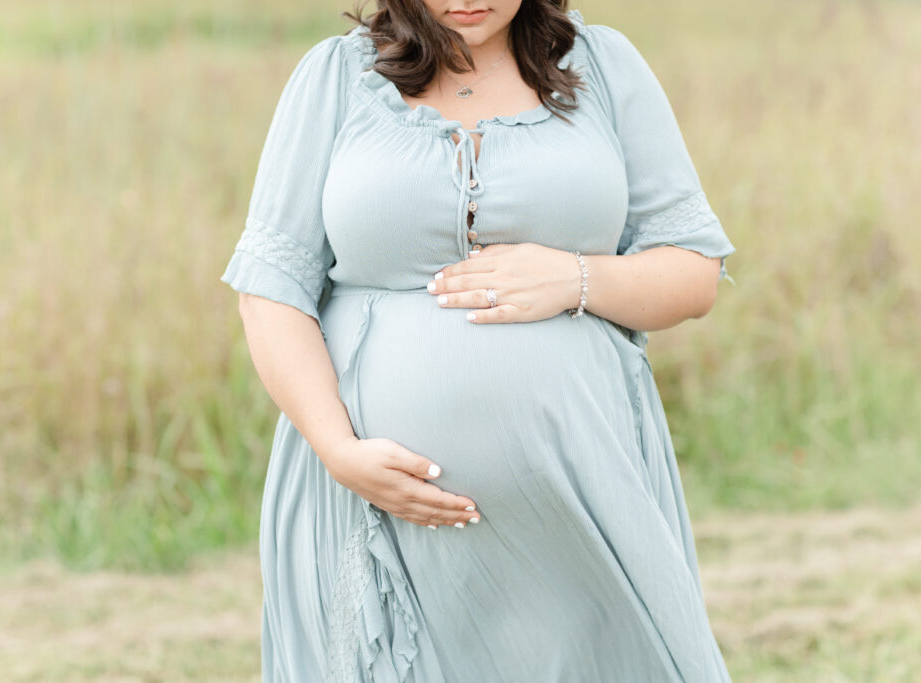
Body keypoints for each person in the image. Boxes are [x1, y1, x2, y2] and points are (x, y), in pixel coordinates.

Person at [221, 1, 736, 680]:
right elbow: (270, 291)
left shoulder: (603, 67)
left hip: (580, 502)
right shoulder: (334, 79)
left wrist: (576, 277)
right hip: (374, 506)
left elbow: (694, 271)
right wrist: (337, 448)